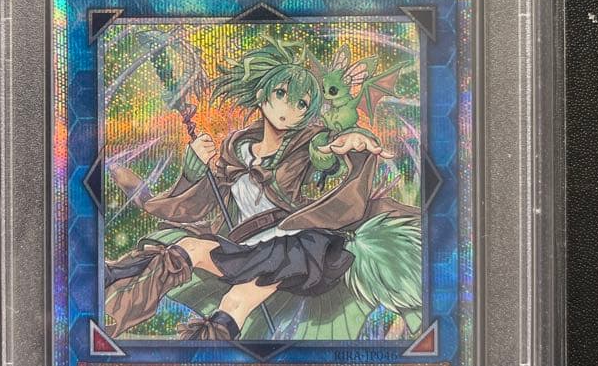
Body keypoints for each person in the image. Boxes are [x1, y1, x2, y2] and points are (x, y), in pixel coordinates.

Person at [104, 35, 421, 341]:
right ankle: (112, 288)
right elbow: (198, 204)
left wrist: (351, 140)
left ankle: (205, 358)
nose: (289, 109)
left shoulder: (306, 144)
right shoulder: (235, 150)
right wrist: (193, 168)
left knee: (235, 301)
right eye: (282, 94)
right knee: (189, 250)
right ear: (262, 95)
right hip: (247, 244)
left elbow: (325, 153)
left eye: (301, 104)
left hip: (293, 246)